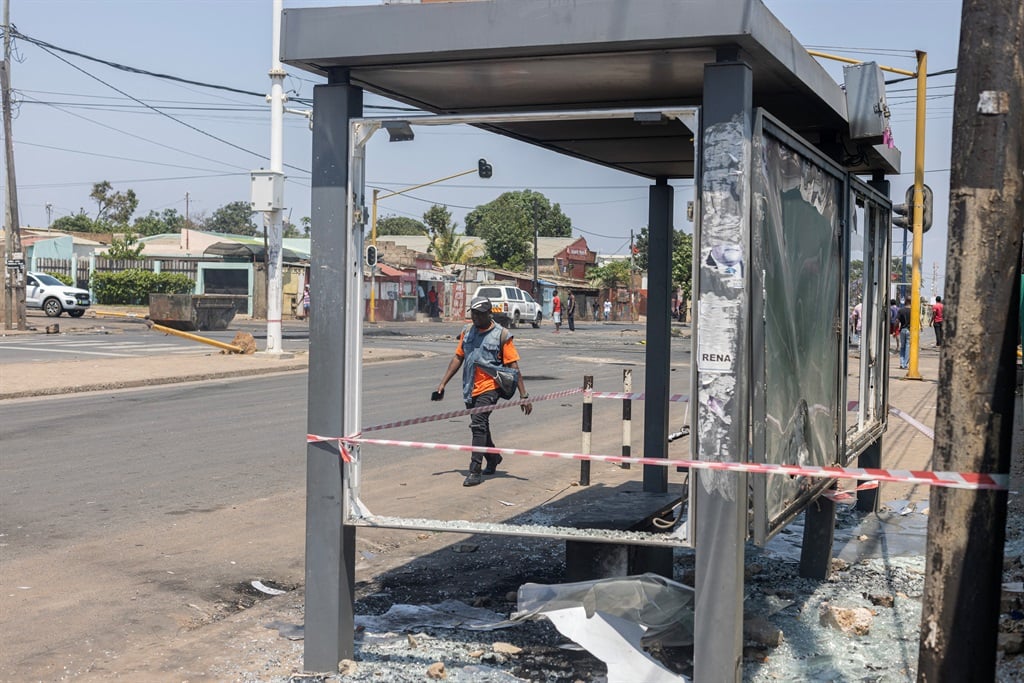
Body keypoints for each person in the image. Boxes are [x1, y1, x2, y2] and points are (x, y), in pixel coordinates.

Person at [433, 296, 532, 487]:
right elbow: (458, 358)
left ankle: (474, 470)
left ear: (489, 314)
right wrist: (443, 383)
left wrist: (524, 395)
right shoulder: (467, 332)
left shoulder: (502, 335)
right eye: (473, 314)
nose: (475, 318)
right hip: (470, 387)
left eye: (479, 314)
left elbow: (514, 366)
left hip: (491, 387)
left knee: (478, 424)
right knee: (480, 425)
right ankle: (493, 458)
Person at [897, 298, 912, 369]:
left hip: (902, 330)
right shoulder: (913, 310)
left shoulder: (901, 310)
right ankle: (905, 363)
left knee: (902, 346)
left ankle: (902, 363)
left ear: (905, 302)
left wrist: (895, 330)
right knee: (908, 347)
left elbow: (897, 321)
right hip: (910, 330)